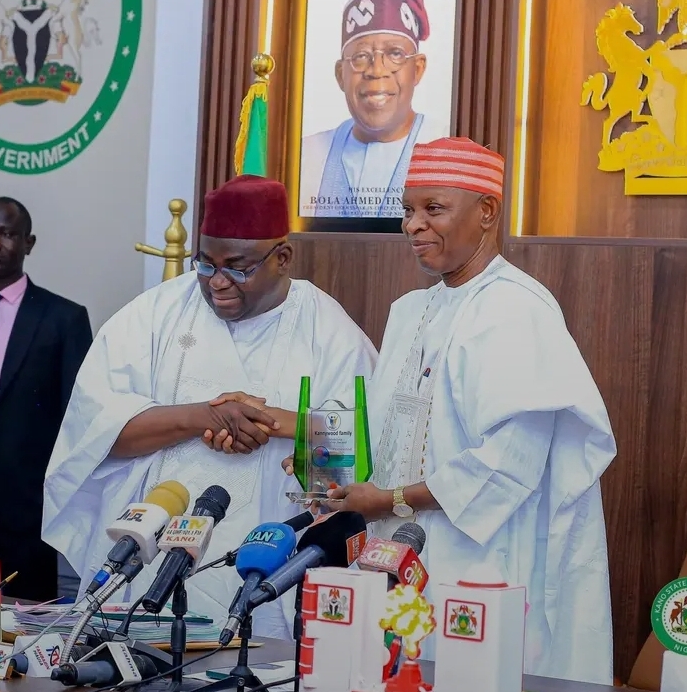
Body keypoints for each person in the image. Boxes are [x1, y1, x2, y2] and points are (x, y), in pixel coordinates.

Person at [210, 139, 617, 683]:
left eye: (434, 209)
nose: (413, 225)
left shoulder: (516, 309)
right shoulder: (411, 310)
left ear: (487, 211)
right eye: (407, 209)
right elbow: (390, 430)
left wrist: (388, 499)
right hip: (398, 553)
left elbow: (507, 464)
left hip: (481, 558)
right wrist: (329, 461)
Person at [42, 175, 378, 636]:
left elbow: (354, 468)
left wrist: (286, 430)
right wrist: (201, 416)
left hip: (262, 575)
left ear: (282, 257)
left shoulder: (331, 336)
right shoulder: (153, 315)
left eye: (238, 268)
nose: (217, 282)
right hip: (146, 564)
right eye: (205, 263)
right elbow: (95, 436)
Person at [0, 196, 92, 601]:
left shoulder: (63, 318)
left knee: (25, 614)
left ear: (28, 242)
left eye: (5, 234)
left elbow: (77, 416)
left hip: (27, 498)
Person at [299, 0, 451, 218]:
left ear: (417, 69)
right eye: (360, 56)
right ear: (340, 74)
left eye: (395, 54)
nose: (377, 70)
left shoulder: (447, 149)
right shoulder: (306, 157)